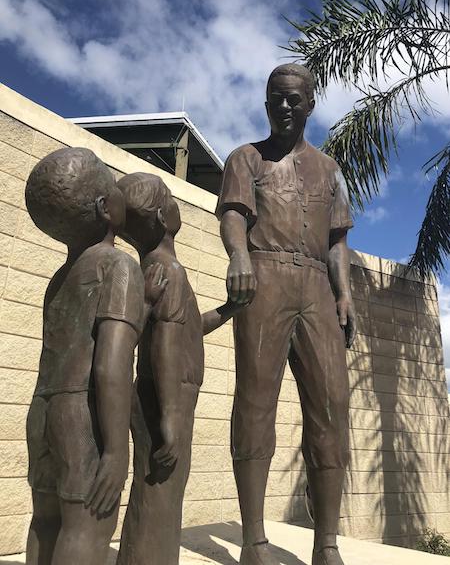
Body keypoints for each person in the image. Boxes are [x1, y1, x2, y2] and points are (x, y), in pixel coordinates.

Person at [216, 64, 357, 565]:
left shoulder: (331, 170)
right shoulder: (245, 159)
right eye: (275, 97)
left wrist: (344, 293)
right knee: (255, 402)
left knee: (331, 408)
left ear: (310, 104)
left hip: (318, 285)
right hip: (266, 276)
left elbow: (339, 240)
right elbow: (233, 213)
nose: (284, 107)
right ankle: (253, 539)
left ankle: (326, 544)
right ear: (265, 100)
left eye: (294, 99)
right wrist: (238, 256)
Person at [24, 148, 163, 565]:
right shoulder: (119, 266)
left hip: (42, 411)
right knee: (88, 523)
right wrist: (117, 451)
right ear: (106, 209)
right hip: (81, 414)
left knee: (46, 520)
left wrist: (145, 306)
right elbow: (110, 363)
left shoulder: (58, 280)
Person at [116, 172, 243, 565]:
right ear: (162, 216)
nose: (176, 205)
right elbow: (168, 347)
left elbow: (187, 328)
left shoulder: (154, 268)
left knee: (155, 487)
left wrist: (228, 309)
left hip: (160, 395)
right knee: (161, 491)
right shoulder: (169, 271)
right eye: (171, 198)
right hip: (167, 399)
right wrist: (171, 419)